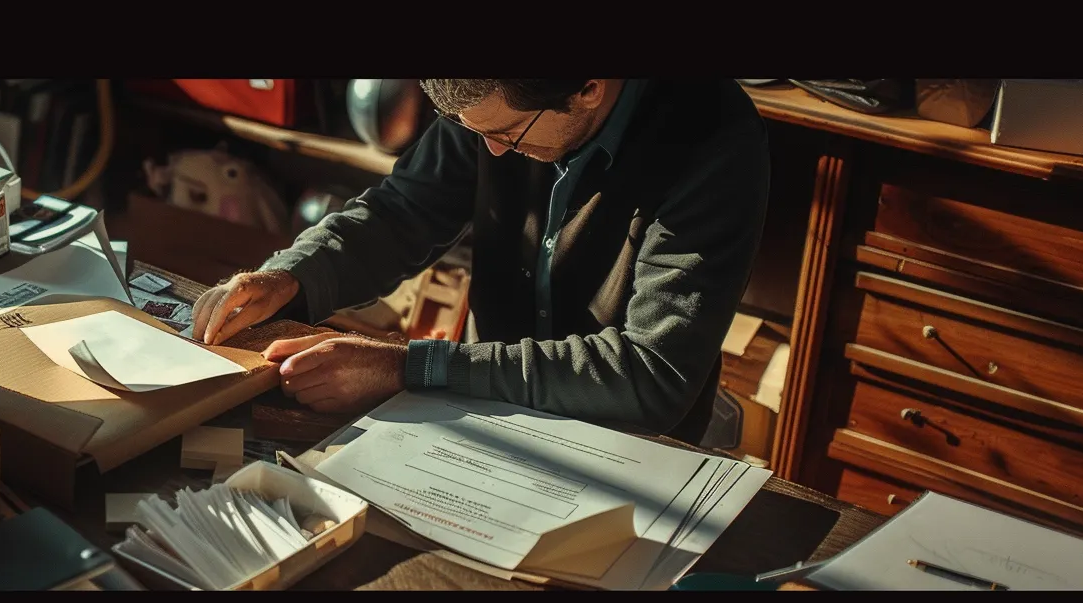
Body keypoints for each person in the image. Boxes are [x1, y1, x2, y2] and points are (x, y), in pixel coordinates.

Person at [191, 79, 771, 444]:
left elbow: (650, 375)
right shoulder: (494, 97)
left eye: (509, 135)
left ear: (588, 87)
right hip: (480, 420)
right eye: (474, 133)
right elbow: (404, 210)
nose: (490, 152)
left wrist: (410, 367)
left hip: (628, 450)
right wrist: (292, 276)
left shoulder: (713, 140)